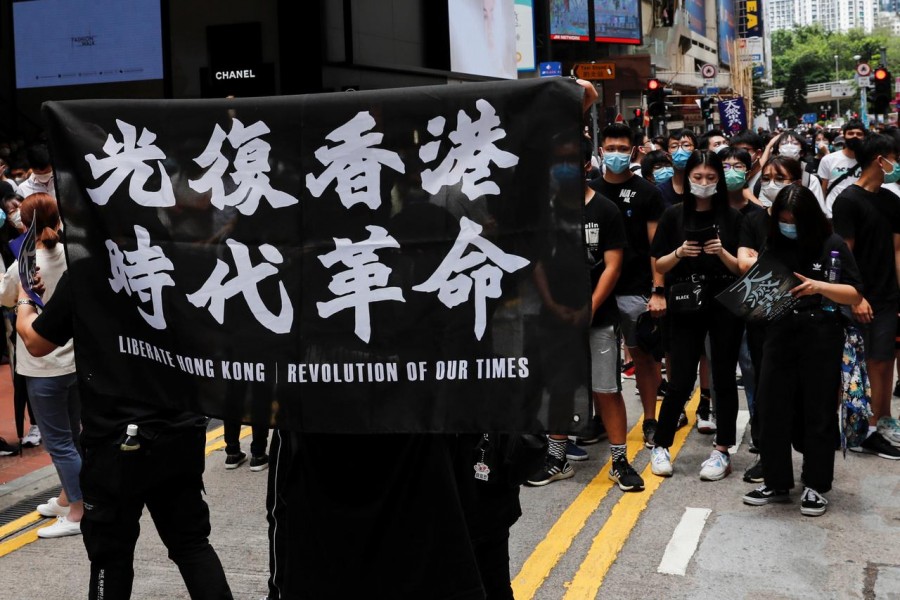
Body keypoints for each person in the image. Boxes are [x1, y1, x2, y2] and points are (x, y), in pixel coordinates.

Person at [16, 273, 234, 597]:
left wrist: (24, 301)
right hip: (178, 427)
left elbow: (37, 342)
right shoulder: (175, 262)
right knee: (191, 545)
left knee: (110, 558)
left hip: (114, 439)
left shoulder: (88, 270)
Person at [742, 184, 863, 516]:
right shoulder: (774, 243)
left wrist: (819, 286)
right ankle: (777, 481)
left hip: (821, 336)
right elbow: (762, 287)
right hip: (779, 333)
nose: (787, 225)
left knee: (818, 411)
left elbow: (854, 294)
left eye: (793, 220)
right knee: (771, 409)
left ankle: (816, 485)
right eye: (781, 219)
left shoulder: (832, 245)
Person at [648, 150, 744, 480]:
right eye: (698, 177)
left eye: (711, 178)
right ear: (687, 178)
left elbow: (743, 268)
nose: (704, 184)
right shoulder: (673, 216)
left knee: (723, 377)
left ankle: (722, 450)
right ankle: (661, 445)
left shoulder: (733, 218)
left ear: (719, 180)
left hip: (724, 301)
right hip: (685, 302)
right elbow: (658, 264)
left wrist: (722, 252)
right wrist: (679, 252)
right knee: (680, 378)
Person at [0, 194, 81, 537]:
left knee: (58, 443)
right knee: (74, 437)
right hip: (74, 360)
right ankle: (67, 497)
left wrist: (20, 295)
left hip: (41, 366)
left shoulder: (21, 265)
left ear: (25, 224)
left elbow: (5, 298)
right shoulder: (73, 254)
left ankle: (78, 511)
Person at [588, 123, 667, 450]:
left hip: (636, 289)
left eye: (623, 149)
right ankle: (600, 419)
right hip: (595, 291)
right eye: (611, 148)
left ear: (634, 152)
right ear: (600, 151)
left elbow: (656, 246)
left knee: (643, 357)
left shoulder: (649, 193)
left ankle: (650, 420)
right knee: (598, 362)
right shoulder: (589, 190)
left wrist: (658, 290)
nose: (617, 154)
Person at [737, 155, 808, 483]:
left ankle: (811, 459)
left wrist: (763, 264)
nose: (771, 183)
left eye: (780, 177)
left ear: (797, 181)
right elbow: (742, 263)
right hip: (762, 316)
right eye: (766, 177)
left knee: (802, 390)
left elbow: (815, 267)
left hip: (803, 319)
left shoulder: (811, 222)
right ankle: (769, 458)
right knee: (766, 390)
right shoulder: (753, 220)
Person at [832, 133, 900, 460]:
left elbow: (898, 250)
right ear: (879, 160)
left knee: (883, 360)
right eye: (893, 158)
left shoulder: (890, 201)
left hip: (888, 295)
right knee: (851, 364)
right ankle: (845, 427)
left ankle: (877, 426)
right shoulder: (847, 201)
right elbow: (845, 255)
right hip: (858, 296)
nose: (895, 165)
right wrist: (855, 297)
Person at [581, 136, 644, 492]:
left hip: (599, 316)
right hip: (558, 317)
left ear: (586, 164)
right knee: (562, 386)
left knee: (606, 387)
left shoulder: (605, 210)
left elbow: (612, 266)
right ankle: (556, 456)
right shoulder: (549, 208)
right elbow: (542, 265)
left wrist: (589, 307)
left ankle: (619, 460)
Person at [818, 120, 866, 218]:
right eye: (851, 133)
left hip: (860, 215)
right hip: (832, 214)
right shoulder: (828, 160)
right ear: (844, 137)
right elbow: (823, 189)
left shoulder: (869, 161)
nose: (855, 136)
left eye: (859, 134)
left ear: (864, 137)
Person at [657, 129, 698, 207]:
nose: (680, 151)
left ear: (695, 152)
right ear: (668, 156)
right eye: (674, 146)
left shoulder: (703, 187)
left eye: (686, 145)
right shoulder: (661, 191)